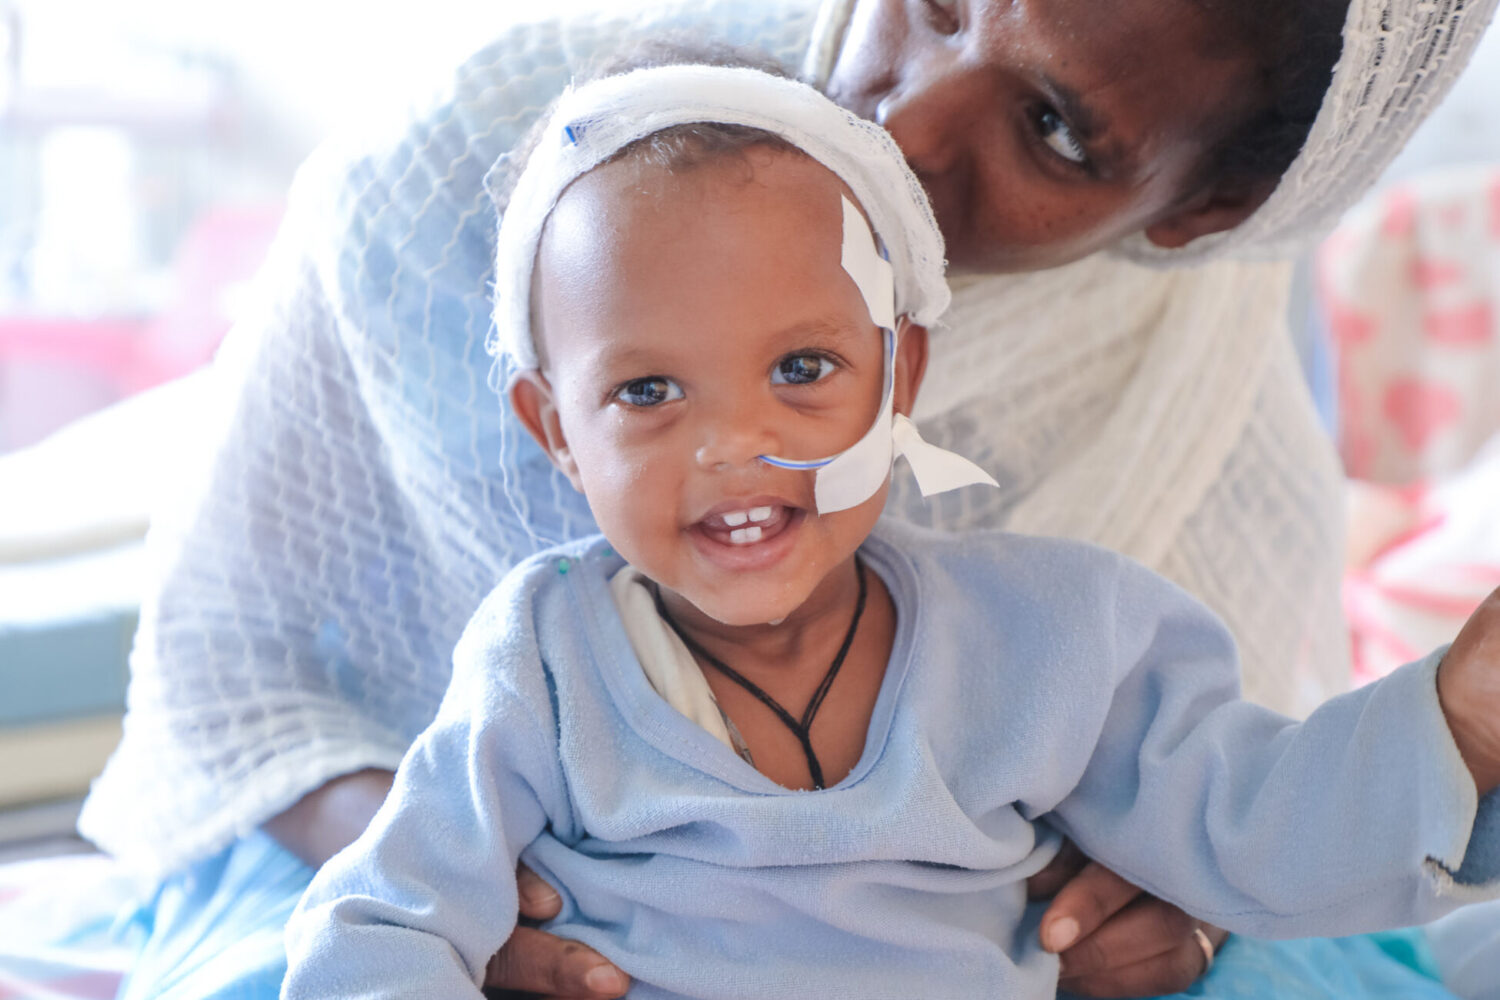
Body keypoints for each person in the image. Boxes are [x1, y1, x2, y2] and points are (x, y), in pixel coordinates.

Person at [76, 0, 1498, 998]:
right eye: (646, 395)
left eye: (1056, 126)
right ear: (551, 430)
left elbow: (1255, 812)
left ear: (902, 379)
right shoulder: (541, 659)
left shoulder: (1066, 629)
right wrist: (481, 930)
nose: (732, 449)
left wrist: (1455, 719)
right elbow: (390, 905)